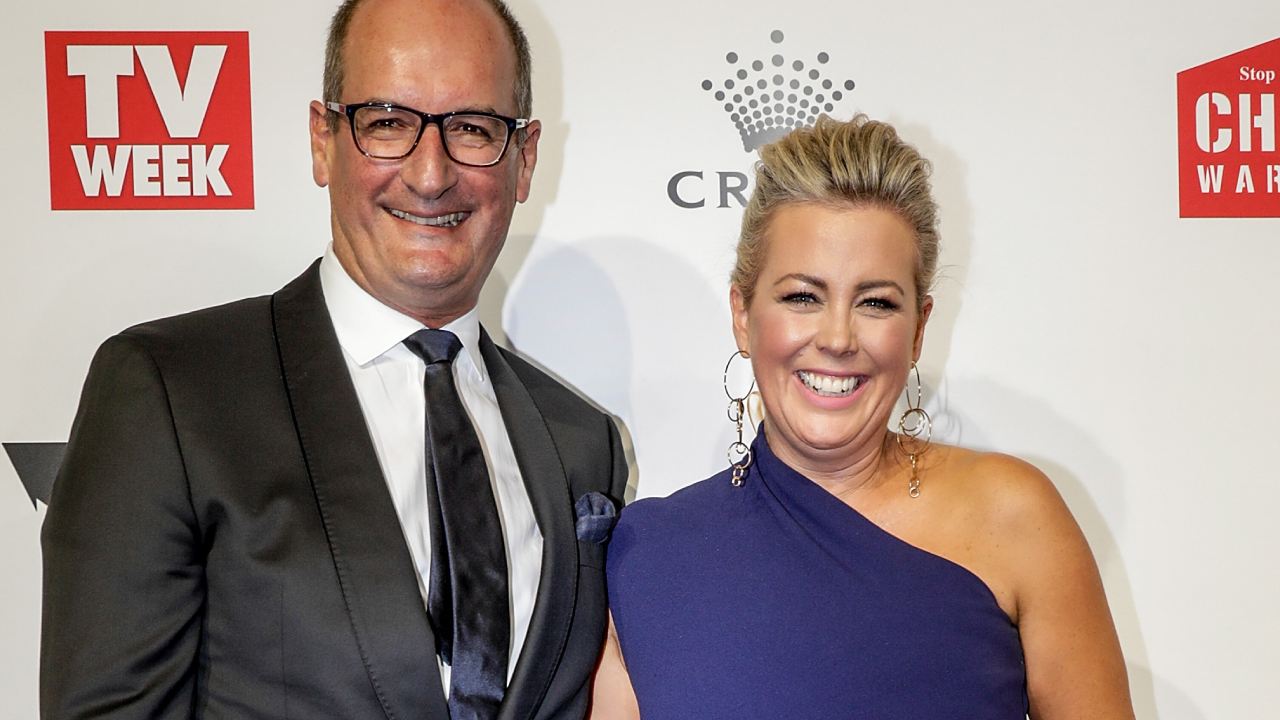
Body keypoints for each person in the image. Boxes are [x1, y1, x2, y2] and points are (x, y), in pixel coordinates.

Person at [39, 1, 627, 718]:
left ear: (525, 158)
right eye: (388, 123)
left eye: (473, 128)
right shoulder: (170, 393)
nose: (431, 173)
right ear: (324, 140)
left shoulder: (580, 443)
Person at [590, 115, 1134, 719]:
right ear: (743, 315)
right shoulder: (649, 556)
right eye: (803, 297)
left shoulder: (1015, 516)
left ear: (919, 329)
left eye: (876, 303)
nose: (838, 338)